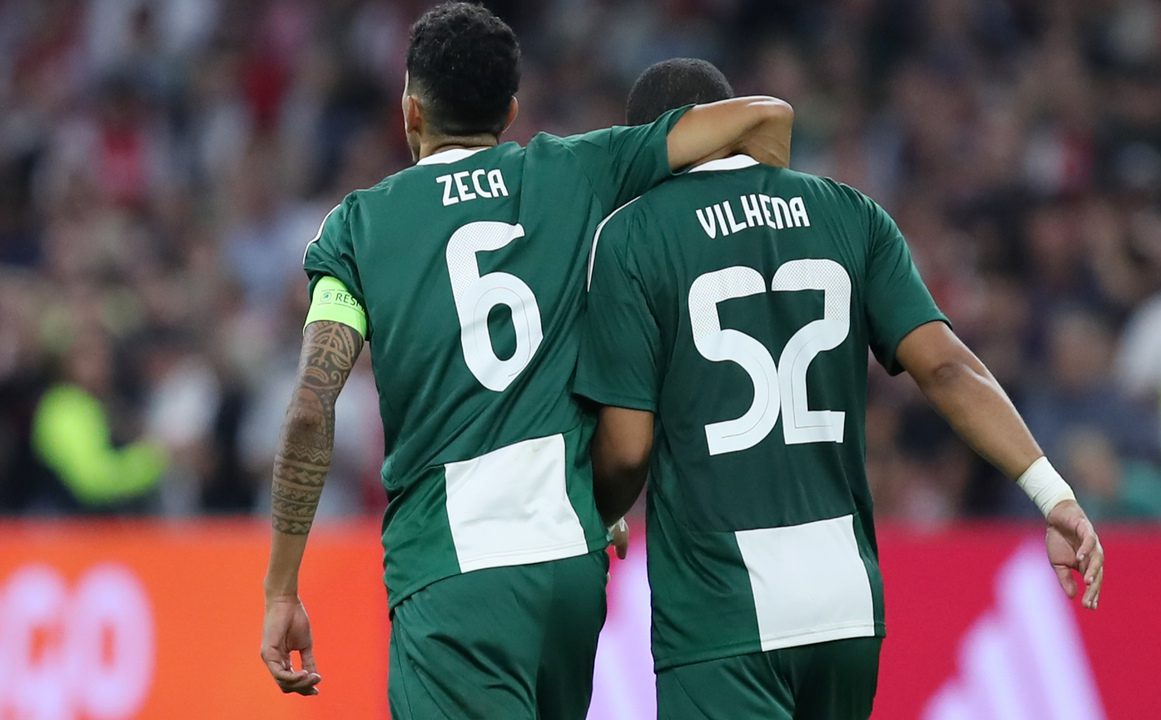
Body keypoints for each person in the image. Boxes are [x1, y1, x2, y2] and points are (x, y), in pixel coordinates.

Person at [257, 5, 794, 719]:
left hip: (452, 576)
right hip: (570, 564)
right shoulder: (574, 169)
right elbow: (761, 117)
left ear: (411, 110)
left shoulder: (357, 227)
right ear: (510, 111)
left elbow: (308, 410)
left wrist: (282, 591)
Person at [574, 58, 1105, 720]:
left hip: (721, 603)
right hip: (844, 601)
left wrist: (602, 509)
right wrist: (1052, 494)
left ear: (652, 143)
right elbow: (947, 367)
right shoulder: (850, 212)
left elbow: (627, 448)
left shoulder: (632, 234)